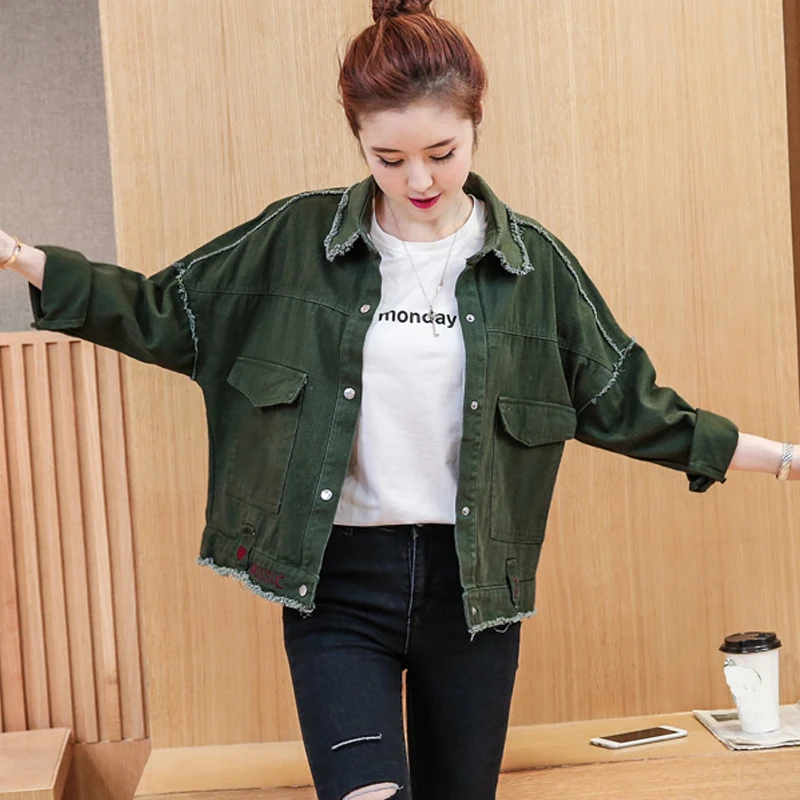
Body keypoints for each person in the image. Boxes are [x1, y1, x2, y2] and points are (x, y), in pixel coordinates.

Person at [1, 0, 797, 797]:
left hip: (474, 591)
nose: (418, 180)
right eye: (388, 158)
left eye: (442, 154)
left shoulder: (534, 269)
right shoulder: (297, 240)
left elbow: (629, 403)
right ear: (358, 140)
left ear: (476, 124)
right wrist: (17, 256)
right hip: (338, 585)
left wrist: (785, 459)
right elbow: (165, 314)